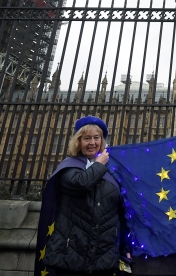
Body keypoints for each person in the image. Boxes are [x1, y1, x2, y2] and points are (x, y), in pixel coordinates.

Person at [40, 116, 131, 276]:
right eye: (87, 138)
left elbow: (121, 213)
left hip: (104, 257)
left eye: (97, 138)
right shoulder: (69, 167)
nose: (92, 143)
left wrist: (125, 247)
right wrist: (99, 164)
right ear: (78, 141)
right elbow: (80, 184)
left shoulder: (112, 172)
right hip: (71, 255)